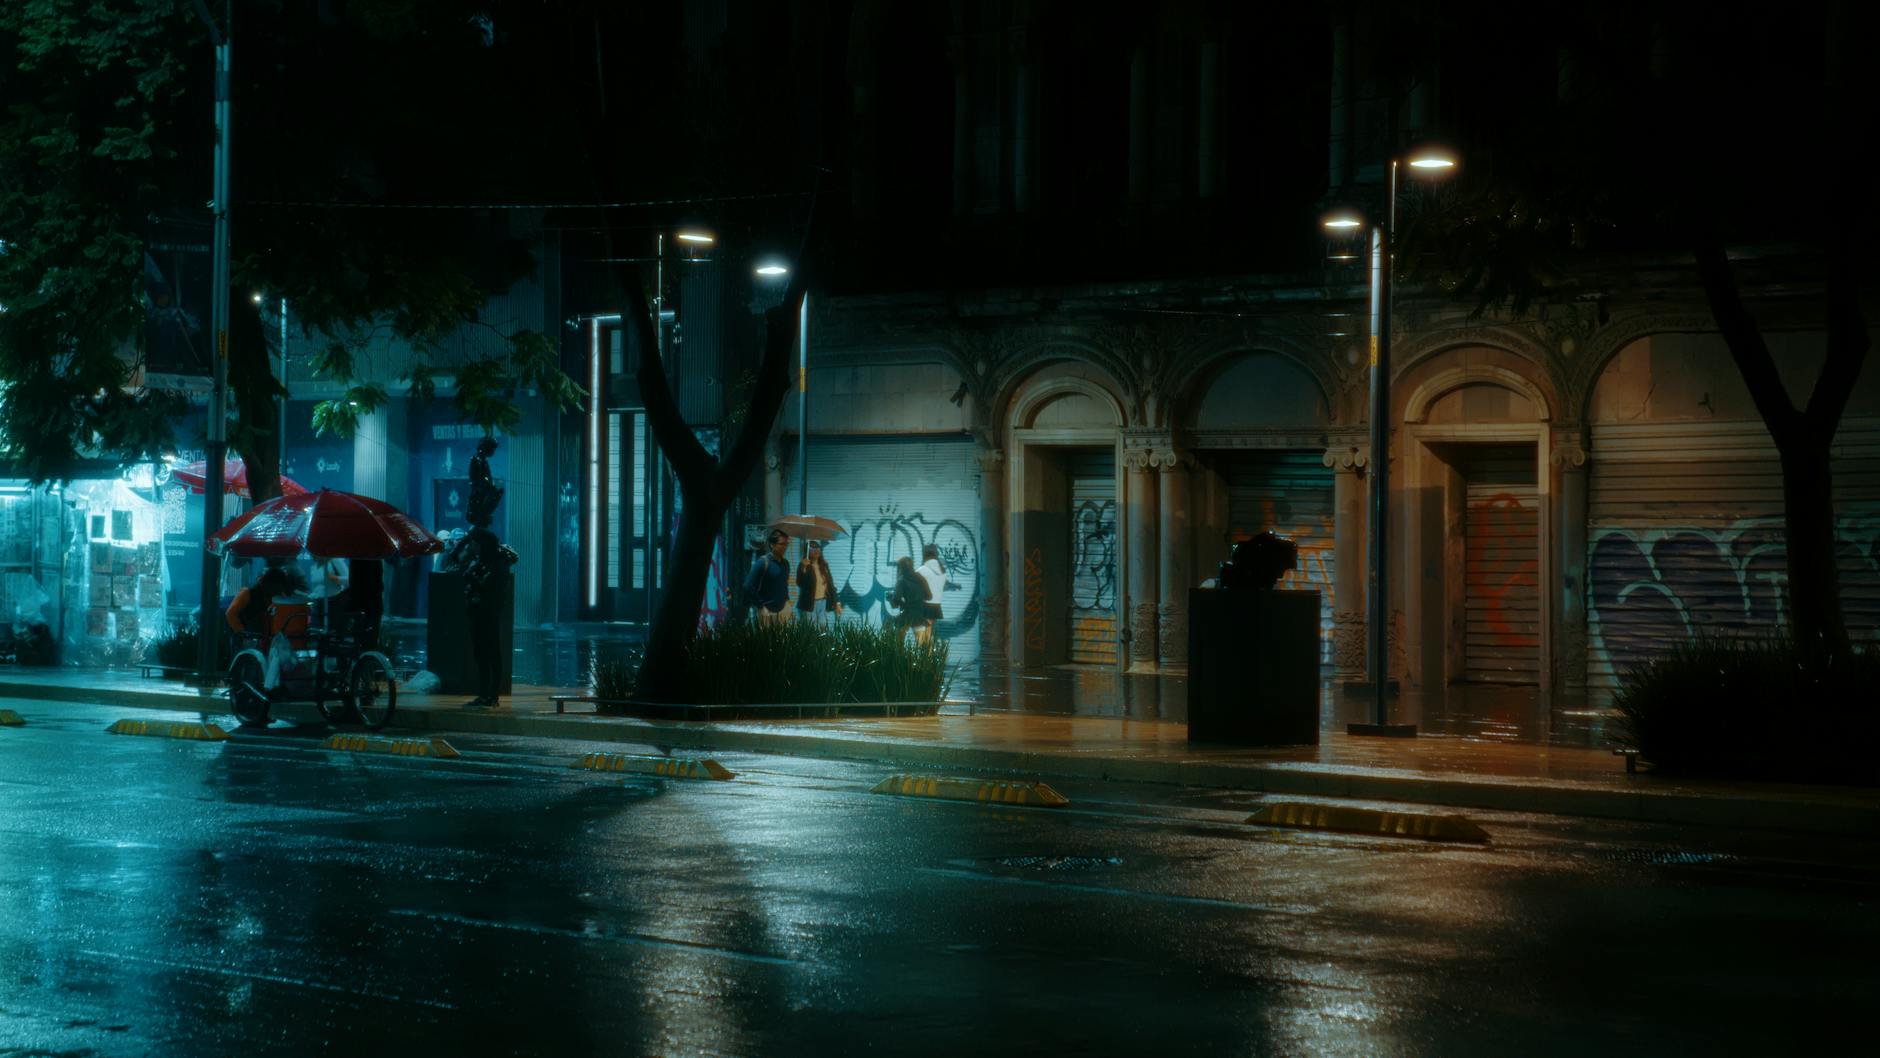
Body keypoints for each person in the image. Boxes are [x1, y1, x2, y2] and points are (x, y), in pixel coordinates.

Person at [446, 525, 518, 708]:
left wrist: (475, 580)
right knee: (481, 654)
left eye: (476, 544)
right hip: (477, 613)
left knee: (491, 653)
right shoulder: (479, 561)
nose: (473, 548)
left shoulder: (497, 563)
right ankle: (485, 693)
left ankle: (491, 694)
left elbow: (492, 588)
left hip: (489, 613)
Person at [223, 565, 309, 690]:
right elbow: (230, 613)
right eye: (276, 587)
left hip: (265, 636)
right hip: (246, 636)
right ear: (268, 584)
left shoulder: (276, 597)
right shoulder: (247, 593)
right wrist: (242, 632)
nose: (278, 591)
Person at [743, 529, 792, 627]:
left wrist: (787, 602)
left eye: (786, 544)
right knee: (767, 641)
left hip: (783, 612)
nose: (785, 547)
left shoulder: (785, 564)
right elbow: (747, 586)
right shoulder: (763, 563)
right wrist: (761, 607)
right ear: (772, 545)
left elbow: (784, 584)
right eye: (781, 544)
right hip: (766, 613)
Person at [334, 558, 384, 650]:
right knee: (369, 640)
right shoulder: (375, 557)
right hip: (372, 604)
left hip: (363, 605)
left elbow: (355, 582)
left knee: (362, 638)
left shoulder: (356, 558)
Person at [795, 540, 842, 625]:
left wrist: (837, 602)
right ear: (807, 551)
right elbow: (800, 583)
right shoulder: (804, 565)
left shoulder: (824, 566)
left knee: (823, 628)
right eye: (812, 548)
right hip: (809, 604)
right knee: (811, 631)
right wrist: (803, 569)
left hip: (823, 602)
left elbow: (831, 585)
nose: (816, 550)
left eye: (817, 547)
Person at [887, 555, 931, 643]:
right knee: (922, 645)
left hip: (906, 615)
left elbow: (895, 604)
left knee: (898, 643)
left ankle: (899, 657)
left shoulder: (902, 580)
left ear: (900, 567)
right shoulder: (920, 578)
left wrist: (889, 597)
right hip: (920, 615)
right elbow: (929, 596)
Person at [467, 436, 504, 529]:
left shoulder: (484, 461)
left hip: (483, 496)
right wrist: (487, 487)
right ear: (485, 447)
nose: (493, 451)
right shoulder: (476, 460)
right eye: (491, 448)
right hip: (479, 498)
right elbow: (475, 481)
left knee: (498, 493)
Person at [916, 544, 947, 636]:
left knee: (921, 639)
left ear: (925, 555)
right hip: (935, 607)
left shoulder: (921, 571)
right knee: (929, 637)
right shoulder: (942, 571)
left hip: (923, 607)